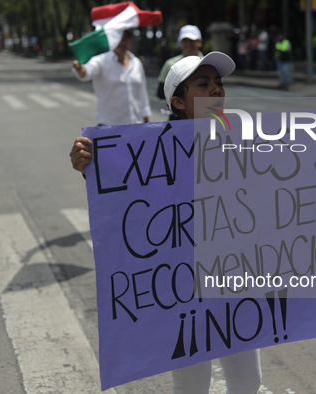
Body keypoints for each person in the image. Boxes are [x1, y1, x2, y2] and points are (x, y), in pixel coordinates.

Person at [71, 51, 262, 393]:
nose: (217, 90)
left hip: (234, 280)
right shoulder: (153, 151)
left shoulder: (242, 134)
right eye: (203, 84)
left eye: (218, 83)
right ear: (178, 100)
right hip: (183, 289)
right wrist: (90, 165)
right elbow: (125, 196)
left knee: (249, 381)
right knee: (193, 385)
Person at [71, 30, 150, 126]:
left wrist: (145, 118)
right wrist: (80, 69)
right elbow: (86, 72)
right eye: (119, 39)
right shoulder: (101, 60)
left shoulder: (136, 62)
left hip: (134, 125)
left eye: (125, 39)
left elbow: (142, 91)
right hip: (109, 125)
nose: (122, 43)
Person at [156, 25, 203, 100]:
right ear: (180, 43)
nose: (188, 44)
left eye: (192, 40)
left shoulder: (209, 64)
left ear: (199, 42)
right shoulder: (170, 64)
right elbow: (160, 93)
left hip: (205, 109)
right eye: (185, 41)